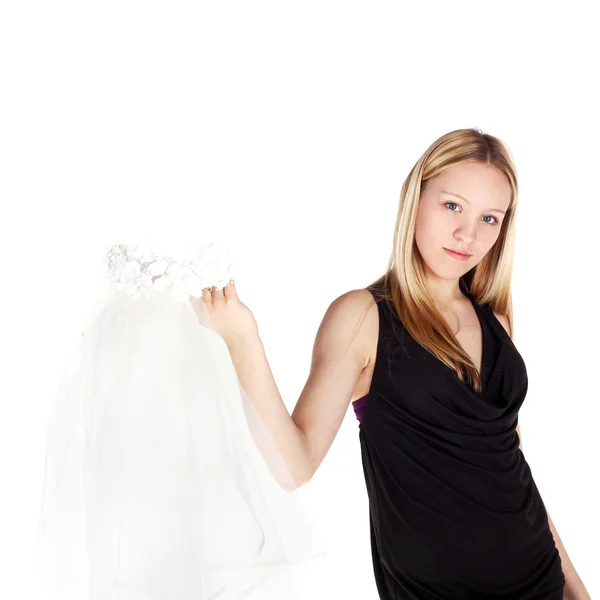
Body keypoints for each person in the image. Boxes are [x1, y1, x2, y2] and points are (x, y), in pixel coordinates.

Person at [193, 128, 591, 599]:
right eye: (452, 206)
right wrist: (243, 340)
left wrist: (578, 589)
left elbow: (511, 464)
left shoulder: (496, 322)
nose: (468, 234)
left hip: (539, 579)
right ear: (414, 198)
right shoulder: (364, 316)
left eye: (490, 218)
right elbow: (293, 466)